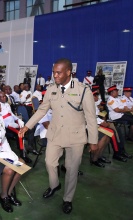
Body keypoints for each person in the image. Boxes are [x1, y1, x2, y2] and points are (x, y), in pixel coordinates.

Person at [19, 58, 98, 214]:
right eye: (54, 72)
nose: (55, 75)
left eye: (58, 72)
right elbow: (42, 110)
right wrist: (27, 126)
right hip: (55, 133)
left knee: (71, 169)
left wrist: (93, 141)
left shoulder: (83, 90)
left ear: (69, 72)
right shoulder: (51, 89)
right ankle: (55, 185)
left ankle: (67, 199)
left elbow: (91, 117)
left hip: (75, 137)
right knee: (49, 162)